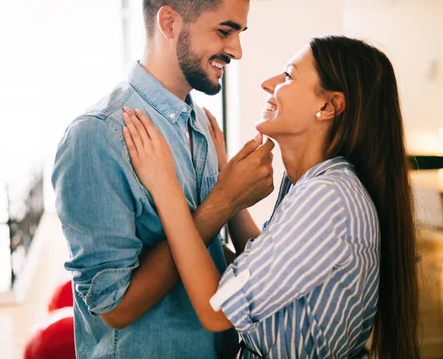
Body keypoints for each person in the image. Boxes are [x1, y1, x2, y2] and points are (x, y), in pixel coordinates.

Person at [121, 35, 419, 358]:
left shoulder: (328, 200)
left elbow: (216, 309)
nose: (267, 84)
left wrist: (165, 186)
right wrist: (228, 183)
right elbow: (268, 271)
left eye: (288, 76)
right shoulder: (309, 186)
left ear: (328, 106)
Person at [51, 0, 285, 357]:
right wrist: (225, 200)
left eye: (239, 33)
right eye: (224, 31)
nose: (237, 51)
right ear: (170, 23)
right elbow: (116, 307)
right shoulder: (98, 135)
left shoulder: (202, 123)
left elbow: (210, 259)